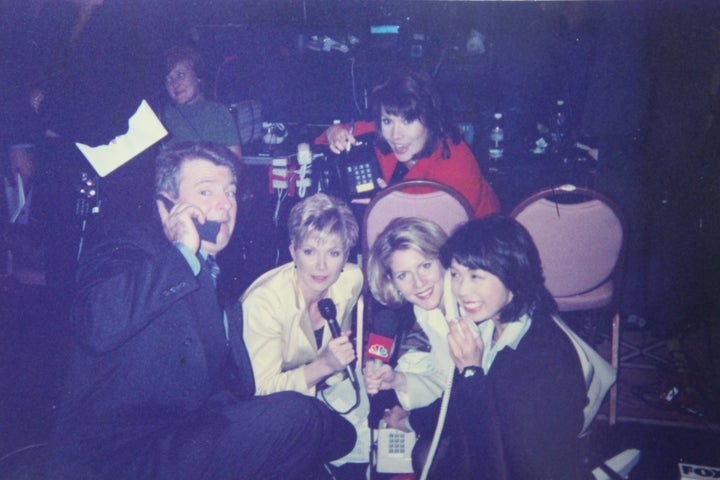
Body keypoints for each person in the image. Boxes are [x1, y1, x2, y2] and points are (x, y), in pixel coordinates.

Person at [46, 142, 355, 480]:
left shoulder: (212, 276)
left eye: (230, 192)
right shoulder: (127, 246)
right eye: (206, 191)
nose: (225, 205)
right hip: (119, 457)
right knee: (300, 418)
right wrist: (181, 252)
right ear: (167, 203)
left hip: (182, 439)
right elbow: (96, 324)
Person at [429, 215, 589, 479]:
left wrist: (470, 372)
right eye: (456, 275)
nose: (461, 290)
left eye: (476, 276)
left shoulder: (543, 358)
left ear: (511, 274)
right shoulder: (490, 324)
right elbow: (456, 407)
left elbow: (500, 462)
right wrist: (410, 417)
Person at [242, 192, 367, 479]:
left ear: (346, 256)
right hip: (269, 412)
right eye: (310, 251)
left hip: (321, 395)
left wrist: (337, 381)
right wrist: (324, 366)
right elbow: (260, 392)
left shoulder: (350, 280)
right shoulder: (265, 303)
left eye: (333, 253)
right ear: (293, 251)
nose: (321, 266)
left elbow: (339, 345)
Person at [315, 68, 500, 218]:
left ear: (430, 119)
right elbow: (329, 135)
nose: (395, 135)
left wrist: (391, 206)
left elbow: (446, 230)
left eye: (408, 121)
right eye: (387, 121)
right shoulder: (383, 133)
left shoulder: (455, 161)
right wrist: (334, 132)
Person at [161, 45, 242, 160]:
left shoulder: (218, 112)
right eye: (168, 79)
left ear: (197, 77)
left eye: (180, 75)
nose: (175, 83)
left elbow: (236, 161)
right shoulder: (162, 115)